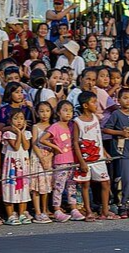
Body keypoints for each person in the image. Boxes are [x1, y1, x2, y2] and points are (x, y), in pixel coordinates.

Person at [72, 91, 111, 220]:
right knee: (85, 185)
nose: (96, 104)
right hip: (85, 158)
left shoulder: (95, 118)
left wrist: (104, 152)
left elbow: (98, 136)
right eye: (93, 102)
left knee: (105, 182)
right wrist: (82, 162)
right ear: (85, 105)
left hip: (98, 157)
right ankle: (88, 211)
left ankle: (105, 211)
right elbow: (76, 142)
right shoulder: (77, 121)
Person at [42, 100, 81, 222]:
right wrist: (55, 147)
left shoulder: (72, 126)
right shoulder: (55, 126)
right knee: (59, 186)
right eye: (65, 110)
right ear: (59, 112)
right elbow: (42, 139)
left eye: (70, 111)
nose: (68, 113)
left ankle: (73, 208)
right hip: (61, 161)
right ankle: (57, 209)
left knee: (72, 186)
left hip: (72, 160)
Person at [1, 109, 32, 225]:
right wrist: (18, 133)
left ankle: (22, 213)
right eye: (15, 118)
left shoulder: (27, 133)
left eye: (21, 118)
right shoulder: (8, 134)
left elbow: (26, 146)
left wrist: (22, 133)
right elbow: (15, 146)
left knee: (23, 189)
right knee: (10, 188)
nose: (19, 121)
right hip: (12, 165)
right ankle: (10, 215)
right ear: (10, 121)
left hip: (23, 165)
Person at [29, 101, 54, 224]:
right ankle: (38, 212)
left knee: (46, 186)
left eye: (47, 111)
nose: (45, 114)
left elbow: (56, 145)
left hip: (48, 158)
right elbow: (34, 144)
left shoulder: (53, 126)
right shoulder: (36, 127)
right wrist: (42, 158)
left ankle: (45, 210)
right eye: (42, 111)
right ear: (37, 113)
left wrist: (49, 156)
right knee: (36, 186)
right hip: (37, 158)